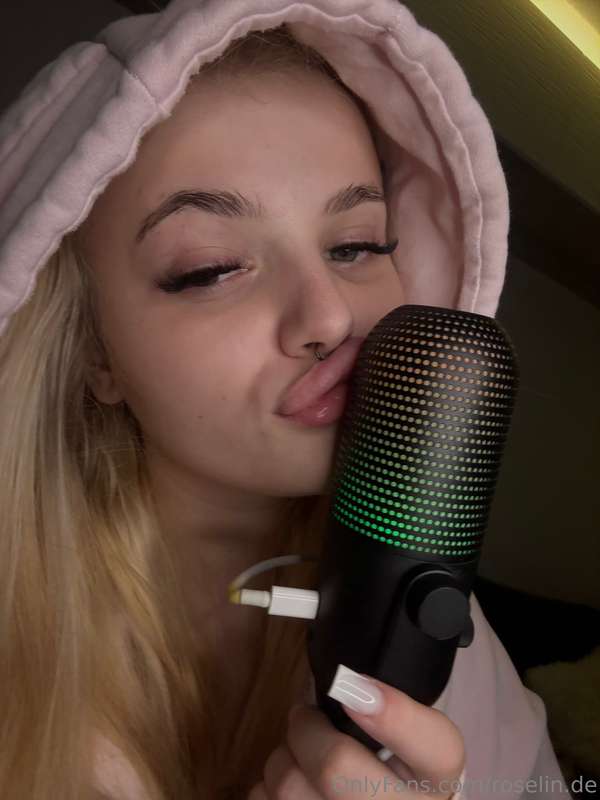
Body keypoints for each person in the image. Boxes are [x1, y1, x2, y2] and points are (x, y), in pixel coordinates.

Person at [0, 1, 571, 799]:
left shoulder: (442, 639)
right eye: (212, 268)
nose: (330, 316)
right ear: (95, 353)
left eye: (357, 246)